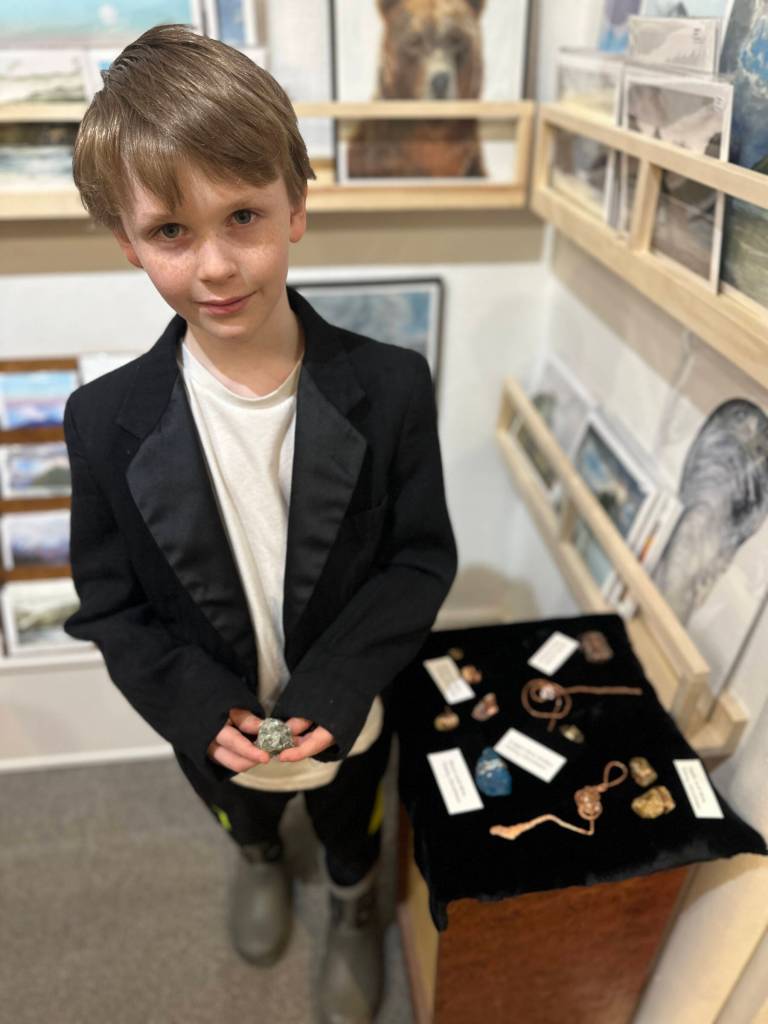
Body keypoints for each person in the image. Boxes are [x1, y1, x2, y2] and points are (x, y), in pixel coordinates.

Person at [63, 22, 457, 1024]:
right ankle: (253, 853)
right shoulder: (103, 421)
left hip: (350, 707)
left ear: (297, 207)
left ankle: (352, 895)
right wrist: (195, 705)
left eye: (242, 215)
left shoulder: (391, 386)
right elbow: (108, 603)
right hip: (215, 720)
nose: (215, 266)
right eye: (171, 233)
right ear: (127, 239)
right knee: (242, 807)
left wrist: (339, 678)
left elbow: (418, 559)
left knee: (348, 814)